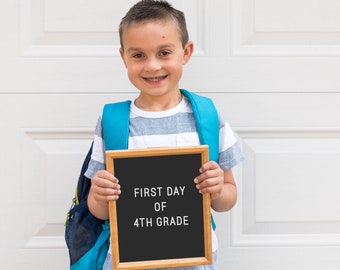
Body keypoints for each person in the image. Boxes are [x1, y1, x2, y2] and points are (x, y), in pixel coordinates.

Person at [85, 0, 244, 269]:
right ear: (123, 57)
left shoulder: (207, 115)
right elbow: (98, 209)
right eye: (138, 56)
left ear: (186, 52)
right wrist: (99, 196)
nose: (152, 66)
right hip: (127, 261)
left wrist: (217, 188)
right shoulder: (112, 121)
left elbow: (227, 200)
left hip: (196, 260)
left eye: (164, 52)